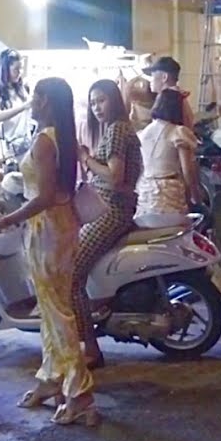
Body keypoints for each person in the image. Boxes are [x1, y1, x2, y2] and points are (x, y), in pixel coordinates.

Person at [0, 78, 98, 426]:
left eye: (36, 97)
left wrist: (8, 219)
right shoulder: (60, 139)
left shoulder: (43, 142)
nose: (32, 102)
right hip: (61, 227)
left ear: (47, 102)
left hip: (47, 229)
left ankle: (79, 392)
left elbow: (44, 196)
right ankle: (51, 378)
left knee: (57, 313)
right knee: (54, 308)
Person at [74, 79, 142, 370]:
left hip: (111, 210)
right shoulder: (120, 129)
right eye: (92, 102)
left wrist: (86, 158)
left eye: (101, 100)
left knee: (71, 275)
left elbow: (115, 177)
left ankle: (90, 347)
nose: (96, 107)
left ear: (114, 100)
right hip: (109, 208)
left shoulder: (117, 130)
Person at [135, 89, 203, 216]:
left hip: (145, 194)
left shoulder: (143, 133)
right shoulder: (178, 132)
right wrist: (196, 197)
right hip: (169, 195)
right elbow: (187, 171)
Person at [0, 49, 33, 175]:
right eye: (16, 69)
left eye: (21, 69)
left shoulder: (21, 89)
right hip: (6, 150)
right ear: (5, 69)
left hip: (24, 146)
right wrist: (23, 107)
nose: (19, 73)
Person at [143, 55, 195, 129]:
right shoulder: (179, 97)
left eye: (152, 75)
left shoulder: (168, 101)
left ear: (164, 77)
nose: (150, 80)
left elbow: (162, 134)